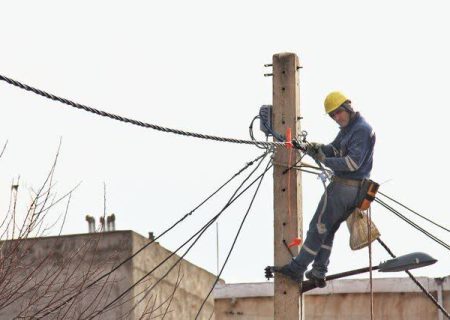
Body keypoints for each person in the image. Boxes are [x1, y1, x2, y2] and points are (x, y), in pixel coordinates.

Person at [274, 91, 376, 287]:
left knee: (318, 227)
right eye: (333, 115)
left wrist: (324, 159)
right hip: (350, 190)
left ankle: (298, 267)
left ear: (348, 107)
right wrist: (315, 148)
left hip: (345, 188)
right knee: (327, 230)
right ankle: (319, 270)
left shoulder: (361, 129)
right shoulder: (350, 128)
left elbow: (352, 163)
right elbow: (334, 148)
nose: (337, 118)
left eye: (338, 113)